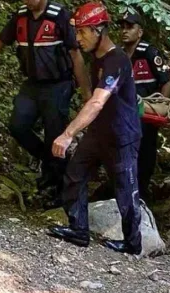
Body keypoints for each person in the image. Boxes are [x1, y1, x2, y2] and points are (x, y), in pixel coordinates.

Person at [0, 0, 91, 206]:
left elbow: (75, 55)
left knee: (54, 135)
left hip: (58, 85)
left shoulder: (59, 16)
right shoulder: (20, 16)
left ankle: (55, 189)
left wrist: (86, 93)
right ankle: (50, 161)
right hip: (32, 85)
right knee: (18, 126)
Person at [47, 2, 143, 255]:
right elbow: (92, 94)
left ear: (99, 30)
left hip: (122, 136)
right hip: (99, 132)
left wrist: (68, 134)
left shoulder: (117, 60)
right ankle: (78, 229)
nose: (78, 38)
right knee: (75, 174)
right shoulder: (96, 57)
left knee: (126, 189)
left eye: (83, 32)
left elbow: (98, 101)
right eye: (77, 32)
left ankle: (133, 243)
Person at [118, 9, 170, 200]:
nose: (125, 31)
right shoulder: (119, 55)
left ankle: (142, 190)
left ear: (139, 32)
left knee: (146, 151)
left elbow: (166, 80)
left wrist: (161, 108)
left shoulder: (150, 52)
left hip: (147, 113)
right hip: (124, 112)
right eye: (123, 27)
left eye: (130, 27)